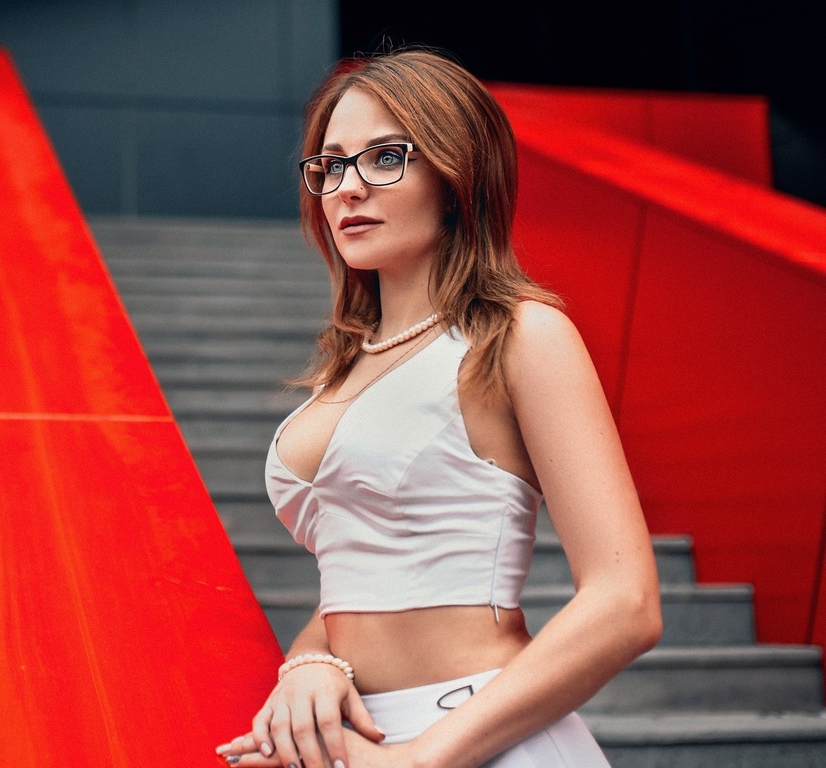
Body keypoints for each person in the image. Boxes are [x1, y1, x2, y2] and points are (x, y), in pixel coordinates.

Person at [215, 49, 662, 768]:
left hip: (476, 734)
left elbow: (627, 602)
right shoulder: (347, 364)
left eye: (385, 157)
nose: (347, 189)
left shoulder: (519, 335)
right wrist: (311, 662)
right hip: (362, 738)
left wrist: (422, 758)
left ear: (457, 177)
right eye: (330, 166)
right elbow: (367, 585)